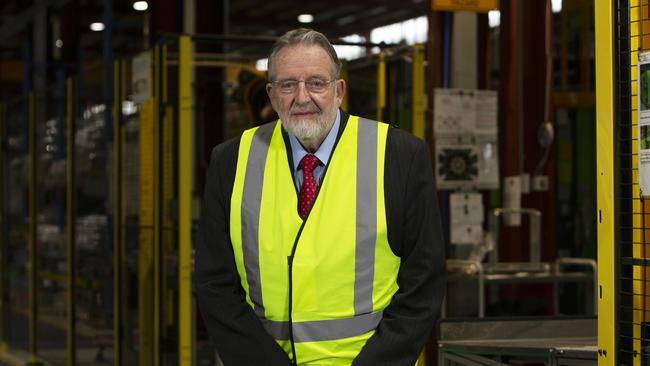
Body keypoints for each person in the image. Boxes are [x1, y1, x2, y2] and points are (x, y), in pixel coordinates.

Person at [195, 28, 446, 366]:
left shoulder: (399, 157)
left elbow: (424, 283)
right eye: (287, 85)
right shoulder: (231, 161)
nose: (302, 97)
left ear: (338, 90)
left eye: (316, 83)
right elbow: (215, 284)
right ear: (271, 95)